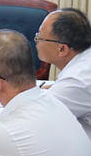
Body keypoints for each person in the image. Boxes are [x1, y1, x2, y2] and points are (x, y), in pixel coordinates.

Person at [36, 7, 91, 140]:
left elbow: (36, 117)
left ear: (62, 49)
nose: (36, 40)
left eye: (40, 37)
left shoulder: (78, 79)